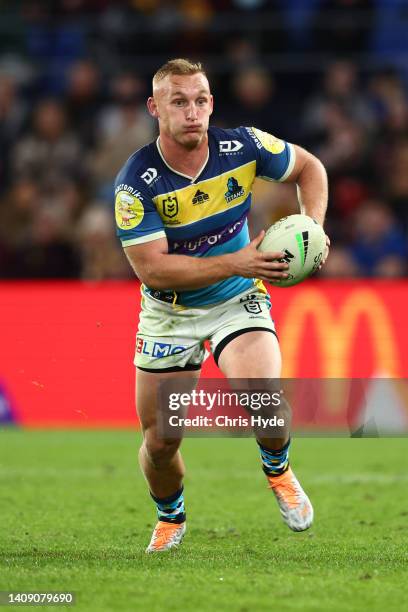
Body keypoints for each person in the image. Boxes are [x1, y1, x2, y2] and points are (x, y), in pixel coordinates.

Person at [114, 59, 329, 553]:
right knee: (161, 442)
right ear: (155, 108)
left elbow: (310, 167)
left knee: (266, 403)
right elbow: (154, 270)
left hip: (238, 297)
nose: (193, 112)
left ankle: (278, 470)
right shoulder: (137, 184)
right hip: (171, 312)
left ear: (212, 103)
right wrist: (239, 261)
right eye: (179, 102)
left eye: (201, 100)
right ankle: (171, 516)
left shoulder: (244, 146)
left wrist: (312, 228)